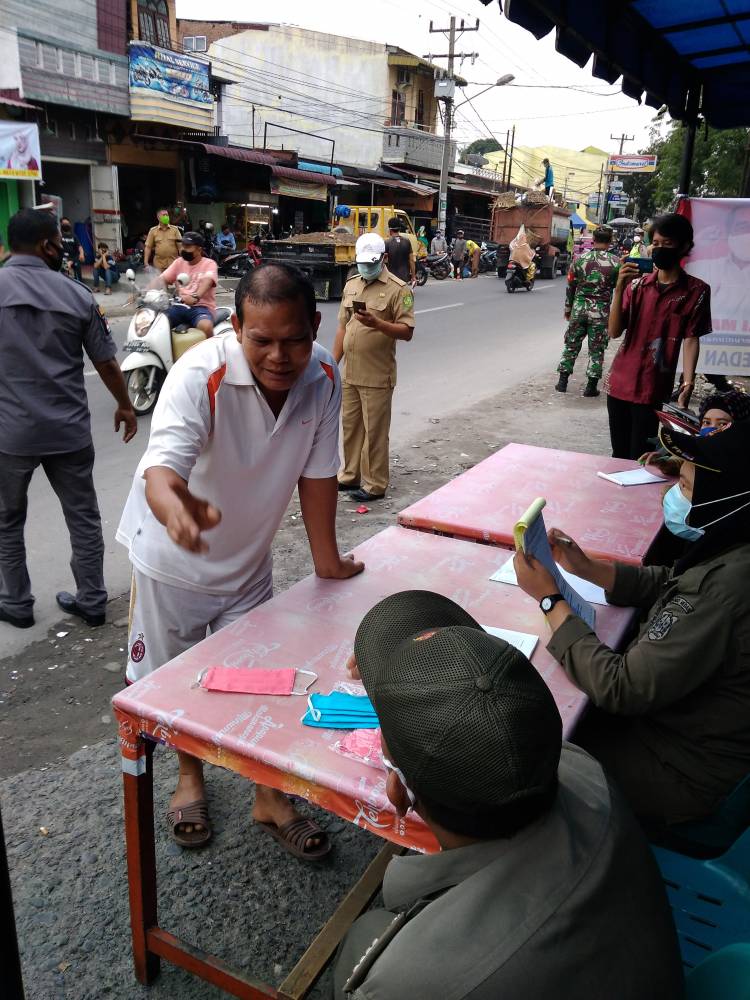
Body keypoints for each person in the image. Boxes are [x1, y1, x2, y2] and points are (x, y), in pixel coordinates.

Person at [117, 263, 364, 853]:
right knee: (175, 685)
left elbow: (318, 472)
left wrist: (327, 562)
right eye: (262, 340)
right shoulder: (199, 373)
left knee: (253, 683)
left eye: (293, 339)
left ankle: (265, 792)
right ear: (235, 327)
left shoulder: (325, 375)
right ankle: (189, 775)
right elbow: (161, 469)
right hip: (169, 565)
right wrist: (175, 509)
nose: (279, 356)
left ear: (315, 326)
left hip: (249, 567)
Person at [333, 590, 684, 999]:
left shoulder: (407, 981)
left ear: (398, 790)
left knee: (360, 940)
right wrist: (403, 667)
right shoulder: (584, 771)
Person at [514, 420, 750, 834]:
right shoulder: (734, 552)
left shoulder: (725, 591)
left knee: (527, 745)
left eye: (689, 488)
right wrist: (591, 570)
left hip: (681, 769)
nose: (674, 492)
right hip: (690, 733)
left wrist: (550, 599)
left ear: (730, 498)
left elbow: (621, 688)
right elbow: (675, 580)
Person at [0, 208, 137, 630]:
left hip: (11, 434)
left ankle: (17, 603)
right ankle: (92, 600)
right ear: (46, 245)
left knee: (7, 519)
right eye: (59, 239)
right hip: (68, 432)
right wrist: (125, 405)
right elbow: (107, 363)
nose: (64, 247)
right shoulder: (77, 295)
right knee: (82, 517)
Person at [606, 212, 712, 460]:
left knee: (641, 456)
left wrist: (688, 382)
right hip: (620, 382)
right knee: (618, 454)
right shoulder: (636, 286)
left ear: (684, 247)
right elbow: (613, 332)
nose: (660, 248)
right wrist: (619, 288)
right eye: (656, 243)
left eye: (668, 244)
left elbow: (691, 338)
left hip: (653, 386)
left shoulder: (696, 291)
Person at [333, 233, 415, 503]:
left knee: (375, 433)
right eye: (361, 263)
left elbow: (406, 331)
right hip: (351, 374)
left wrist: (377, 324)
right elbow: (343, 327)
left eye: (371, 262)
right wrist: (333, 364)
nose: (365, 268)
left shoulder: (399, 290)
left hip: (377, 375)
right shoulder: (351, 285)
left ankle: (375, 484)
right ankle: (349, 475)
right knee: (350, 428)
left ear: (384, 259)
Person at [555, 225, 620, 398]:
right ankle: (591, 386)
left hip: (579, 309)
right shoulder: (616, 263)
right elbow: (620, 289)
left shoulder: (579, 260)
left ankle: (562, 382)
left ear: (593, 240)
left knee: (571, 344)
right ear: (610, 241)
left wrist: (568, 309)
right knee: (597, 349)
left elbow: (571, 287)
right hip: (601, 313)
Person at [149, 231, 217, 338]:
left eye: (188, 246)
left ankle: (213, 351)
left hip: (201, 307)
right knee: (155, 323)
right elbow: (161, 279)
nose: (183, 249)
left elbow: (207, 281)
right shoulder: (178, 262)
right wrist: (144, 291)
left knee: (206, 326)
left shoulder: (209, 264)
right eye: (182, 246)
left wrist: (196, 296)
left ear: (199, 249)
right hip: (179, 306)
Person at [144, 207, 182, 272]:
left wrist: (183, 260)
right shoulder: (153, 231)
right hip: (158, 265)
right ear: (158, 218)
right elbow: (148, 247)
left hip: (173, 264)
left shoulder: (175, 230)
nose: (166, 217)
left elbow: (180, 246)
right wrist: (146, 263)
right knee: (160, 282)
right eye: (163, 215)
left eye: (167, 215)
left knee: (173, 282)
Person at [384, 219, 415, 286]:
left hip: (392, 278)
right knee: (404, 296)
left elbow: (383, 261)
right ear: (399, 229)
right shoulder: (407, 241)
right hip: (404, 278)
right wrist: (413, 277)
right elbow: (411, 260)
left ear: (390, 230)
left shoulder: (387, 243)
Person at [60, 217, 84, 281]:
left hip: (74, 257)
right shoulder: (59, 236)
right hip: (64, 258)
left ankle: (79, 284)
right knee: (64, 267)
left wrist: (82, 254)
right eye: (64, 223)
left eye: (67, 223)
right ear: (61, 225)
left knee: (77, 266)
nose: (66, 225)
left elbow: (79, 246)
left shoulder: (74, 236)